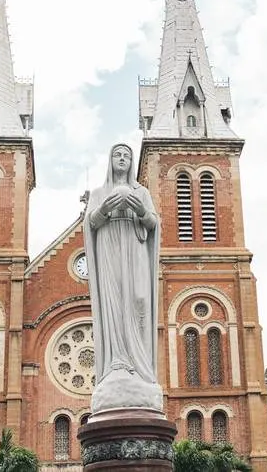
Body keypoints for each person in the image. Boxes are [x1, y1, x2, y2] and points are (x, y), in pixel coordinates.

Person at [83, 142, 161, 410]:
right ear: (109, 160)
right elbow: (91, 223)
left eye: (127, 156)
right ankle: (117, 360)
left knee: (139, 300)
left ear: (132, 163)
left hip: (135, 250)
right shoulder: (98, 192)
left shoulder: (143, 192)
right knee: (113, 305)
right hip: (109, 251)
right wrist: (104, 208)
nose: (122, 159)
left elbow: (152, 224)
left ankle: (139, 367)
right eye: (117, 154)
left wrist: (139, 209)